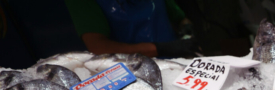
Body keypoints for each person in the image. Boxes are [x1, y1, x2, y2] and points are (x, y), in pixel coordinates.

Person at [66, 0, 199, 58]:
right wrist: (159, 49)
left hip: (175, 59)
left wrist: (185, 26)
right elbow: (98, 47)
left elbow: (178, 17)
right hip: (128, 71)